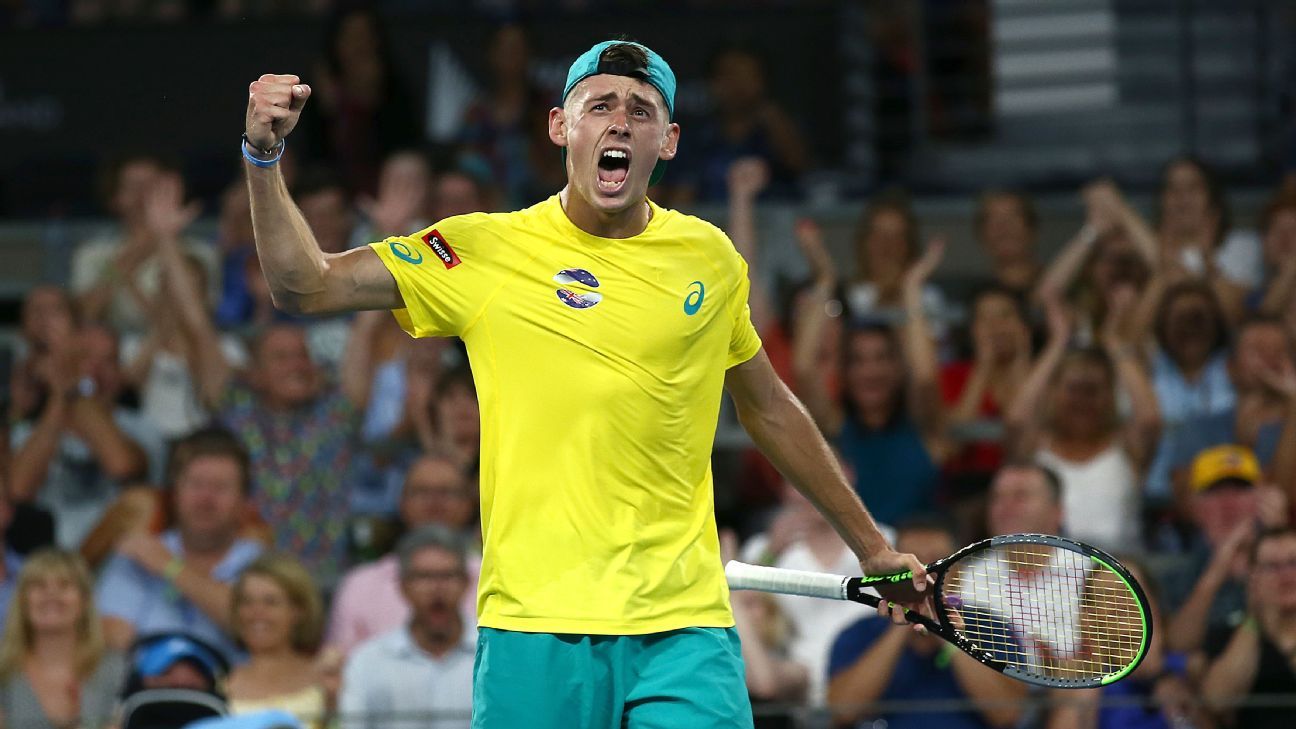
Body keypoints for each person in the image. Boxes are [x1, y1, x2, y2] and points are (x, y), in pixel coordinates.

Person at [243, 39, 928, 728]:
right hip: (535, 625)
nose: (619, 122)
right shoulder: (482, 249)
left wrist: (873, 548)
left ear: (669, 141)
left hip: (682, 625)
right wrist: (263, 158)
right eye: (599, 105)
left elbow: (770, 406)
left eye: (641, 110)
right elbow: (306, 285)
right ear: (560, 127)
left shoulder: (710, 258)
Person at [196, 320, 377, 586]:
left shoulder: (335, 415)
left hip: (322, 583)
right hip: (249, 581)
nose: (297, 365)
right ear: (255, 373)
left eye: (304, 355)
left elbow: (365, 331)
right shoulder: (237, 415)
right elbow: (199, 330)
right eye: (281, 357)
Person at [796, 244, 948, 526]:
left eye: (882, 358)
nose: (871, 371)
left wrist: (911, 289)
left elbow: (925, 377)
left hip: (917, 551)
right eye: (858, 361)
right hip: (850, 553)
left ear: (899, 368)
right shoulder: (835, 425)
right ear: (845, 372)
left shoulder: (923, 426)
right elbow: (804, 368)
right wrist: (826, 280)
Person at [827, 516, 1027, 729]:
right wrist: (904, 621)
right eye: (911, 564)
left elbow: (1008, 715)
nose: (923, 575)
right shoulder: (860, 633)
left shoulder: (992, 628)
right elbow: (843, 713)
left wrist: (945, 631)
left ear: (958, 573)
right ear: (889, 572)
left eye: (937, 563)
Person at [1006, 297, 1161, 553]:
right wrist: (1057, 343)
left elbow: (1149, 420)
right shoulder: (1036, 445)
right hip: (1047, 570)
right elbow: (1016, 420)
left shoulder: (1127, 447)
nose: (1083, 401)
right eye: (1074, 390)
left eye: (1093, 391)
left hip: (1117, 570)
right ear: (1054, 393)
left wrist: (1114, 341)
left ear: (1110, 397)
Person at [97, 427, 265, 661]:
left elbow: (253, 627)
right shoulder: (138, 554)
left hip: (233, 684)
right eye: (195, 484)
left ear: (244, 503)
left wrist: (170, 566)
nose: (206, 498)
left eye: (220, 487)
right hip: (146, 681)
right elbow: (111, 638)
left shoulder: (264, 565)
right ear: (174, 494)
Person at [9, 321, 163, 551]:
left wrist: (72, 387)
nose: (95, 370)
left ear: (121, 372)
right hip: (44, 561)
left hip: (117, 558)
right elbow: (19, 490)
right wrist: (61, 396)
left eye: (108, 361)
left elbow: (122, 466)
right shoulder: (30, 431)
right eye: (83, 358)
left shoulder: (143, 427)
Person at [328, 455, 480, 656]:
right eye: (421, 492)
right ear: (401, 502)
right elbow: (342, 665)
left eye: (447, 492)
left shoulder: (496, 580)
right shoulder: (360, 585)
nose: (434, 502)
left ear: (470, 504)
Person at [339, 527, 476, 729]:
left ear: (467, 583)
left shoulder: (491, 658)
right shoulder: (368, 661)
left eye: (448, 575)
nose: (437, 588)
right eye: (424, 576)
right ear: (403, 586)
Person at [1162, 444, 1289, 653]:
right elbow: (1178, 647)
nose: (1229, 505)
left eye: (1240, 489)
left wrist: (1280, 540)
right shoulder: (1176, 579)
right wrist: (1217, 569)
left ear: (1263, 500)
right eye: (1214, 492)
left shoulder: (1289, 561)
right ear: (1195, 508)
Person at [0, 550, 128, 729]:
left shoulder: (116, 669)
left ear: (84, 601)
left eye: (64, 585)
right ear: (22, 601)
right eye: (39, 586)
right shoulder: (4, 671)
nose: (51, 594)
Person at [1200, 527, 1296, 729]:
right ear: (1253, 576)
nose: (1287, 575)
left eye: (1293, 563)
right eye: (1272, 567)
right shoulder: (1227, 634)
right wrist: (1254, 617)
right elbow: (1217, 702)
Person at [226, 555, 330, 729]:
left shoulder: (325, 680)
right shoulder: (219, 685)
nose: (256, 613)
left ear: (298, 610)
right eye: (247, 602)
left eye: (270, 602)